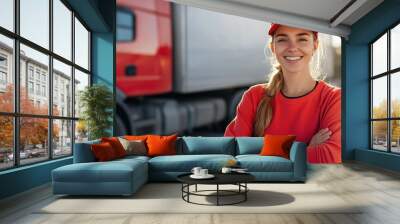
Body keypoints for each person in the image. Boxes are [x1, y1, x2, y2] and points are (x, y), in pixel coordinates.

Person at [224, 24, 341, 163]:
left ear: (315, 46)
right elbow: (231, 154)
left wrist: (262, 152)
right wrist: (305, 148)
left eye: (302, 39)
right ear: (273, 47)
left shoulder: (333, 98)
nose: (292, 47)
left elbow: (329, 156)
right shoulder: (254, 97)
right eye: (283, 39)